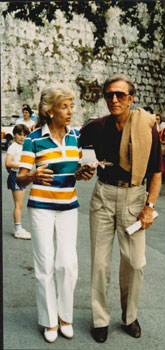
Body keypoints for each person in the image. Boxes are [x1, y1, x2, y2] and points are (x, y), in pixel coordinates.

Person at [78, 74, 162, 343]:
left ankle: (130, 316)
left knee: (135, 263)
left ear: (131, 98)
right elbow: (73, 149)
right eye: (109, 95)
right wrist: (81, 168)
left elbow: (157, 172)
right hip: (103, 195)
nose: (114, 100)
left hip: (135, 197)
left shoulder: (146, 127)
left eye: (120, 95)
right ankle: (100, 319)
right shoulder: (96, 127)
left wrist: (149, 207)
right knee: (100, 263)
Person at [16, 83, 92, 343]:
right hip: (41, 209)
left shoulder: (76, 137)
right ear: (50, 111)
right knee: (44, 264)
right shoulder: (33, 139)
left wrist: (83, 173)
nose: (70, 111)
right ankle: (49, 320)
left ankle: (65, 316)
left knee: (68, 264)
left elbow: (74, 171)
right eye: (64, 106)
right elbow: (20, 178)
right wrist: (33, 174)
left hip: (69, 207)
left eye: (71, 106)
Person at [5, 124, 31, 239]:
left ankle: (18, 227)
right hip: (16, 175)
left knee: (20, 204)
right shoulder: (13, 147)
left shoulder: (22, 146)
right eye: (19, 134)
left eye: (24, 135)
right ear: (14, 135)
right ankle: (18, 229)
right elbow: (8, 163)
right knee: (18, 204)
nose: (22, 137)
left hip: (21, 175)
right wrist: (21, 166)